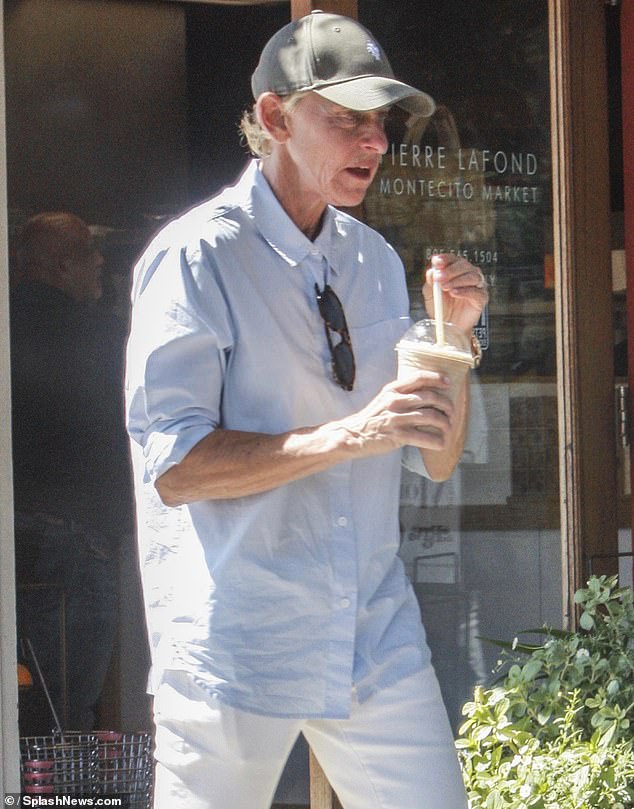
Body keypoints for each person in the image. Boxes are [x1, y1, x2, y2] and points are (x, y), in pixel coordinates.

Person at [125, 12, 488, 809]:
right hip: (236, 640)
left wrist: (454, 342)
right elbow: (177, 469)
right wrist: (352, 433)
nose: (376, 141)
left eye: (381, 122)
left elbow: (434, 454)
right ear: (275, 117)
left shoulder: (380, 263)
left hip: (372, 634)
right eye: (348, 118)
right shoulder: (195, 259)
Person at [11, 211, 132, 732]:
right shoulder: (97, 336)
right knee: (63, 707)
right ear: (62, 265)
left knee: (28, 699)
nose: (101, 261)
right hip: (77, 535)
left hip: (17, 529)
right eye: (89, 251)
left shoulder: (7, 323)